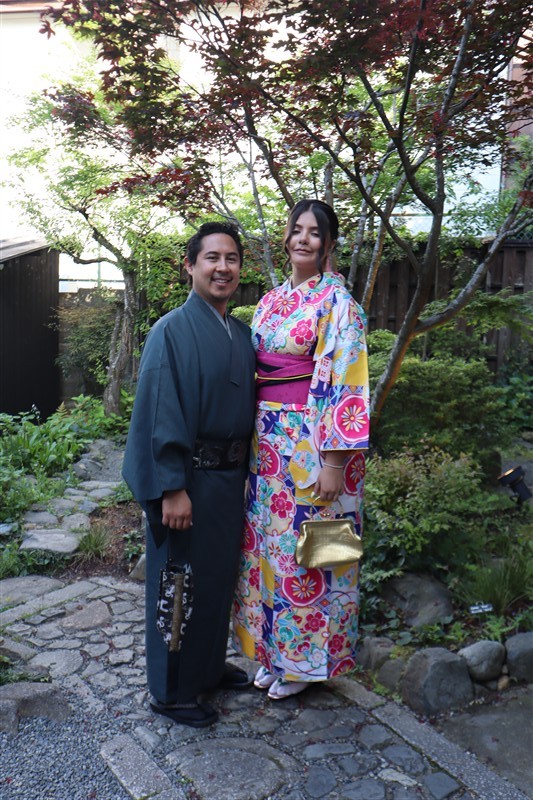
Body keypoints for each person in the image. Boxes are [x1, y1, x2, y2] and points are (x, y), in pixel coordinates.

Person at [232, 199, 370, 700]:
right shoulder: (272, 301)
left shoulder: (339, 304)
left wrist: (335, 461)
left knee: (308, 553)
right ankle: (273, 654)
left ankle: (305, 665)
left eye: (315, 232)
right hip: (266, 443)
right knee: (267, 549)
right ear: (286, 237)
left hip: (313, 443)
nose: (303, 239)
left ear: (329, 244)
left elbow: (348, 381)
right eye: (297, 230)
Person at [123, 222, 256, 727]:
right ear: (190, 266)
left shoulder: (239, 333)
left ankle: (206, 668)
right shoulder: (171, 331)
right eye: (211, 258)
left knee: (217, 579)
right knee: (179, 580)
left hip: (229, 480)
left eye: (231, 259)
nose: (223, 268)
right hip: (188, 481)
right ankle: (172, 691)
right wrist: (172, 488)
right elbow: (160, 411)